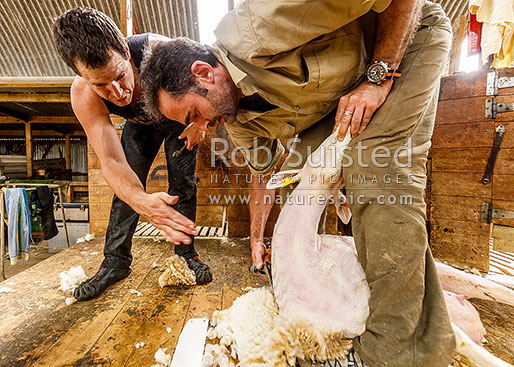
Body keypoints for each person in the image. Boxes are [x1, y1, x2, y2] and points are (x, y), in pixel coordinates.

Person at [139, 0, 455, 365]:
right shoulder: (237, 121)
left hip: (403, 41)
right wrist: (257, 238)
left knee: (377, 176)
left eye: (196, 115)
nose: (205, 129)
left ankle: (397, 351)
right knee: (303, 187)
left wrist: (377, 78)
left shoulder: (264, 22)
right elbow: (269, 177)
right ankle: (365, 303)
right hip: (340, 94)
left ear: (204, 73)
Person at [52, 8, 212, 301]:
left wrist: (198, 124)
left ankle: (186, 255)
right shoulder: (83, 94)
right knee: (126, 187)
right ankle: (115, 262)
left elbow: (204, 86)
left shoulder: (161, 51)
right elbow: (111, 163)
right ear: (81, 77)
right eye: (100, 84)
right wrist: (141, 201)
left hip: (179, 119)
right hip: (139, 125)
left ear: (126, 50)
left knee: (183, 183)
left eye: (120, 75)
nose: (117, 93)